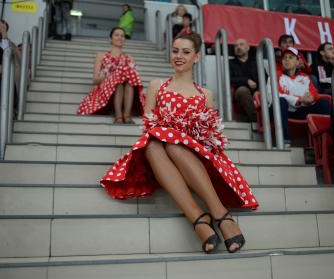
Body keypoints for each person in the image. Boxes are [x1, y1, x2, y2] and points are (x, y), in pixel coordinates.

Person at [101, 32, 258, 254]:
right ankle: (203, 217)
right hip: (159, 153)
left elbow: (210, 137)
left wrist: (185, 136)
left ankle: (214, 215)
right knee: (155, 144)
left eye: (185, 52)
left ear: (196, 57)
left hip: (195, 156)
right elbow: (149, 125)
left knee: (174, 144)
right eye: (175, 51)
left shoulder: (205, 94)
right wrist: (169, 132)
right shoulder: (157, 86)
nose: (179, 56)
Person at [77, 27, 144, 123]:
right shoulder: (101, 55)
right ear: (110, 39)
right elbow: (95, 80)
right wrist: (113, 75)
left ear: (124, 40)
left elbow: (134, 80)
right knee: (119, 75)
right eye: (116, 35)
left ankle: (127, 115)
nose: (120, 37)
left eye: (122, 36)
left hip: (126, 91)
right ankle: (118, 116)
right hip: (106, 91)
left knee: (127, 75)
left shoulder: (130, 58)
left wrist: (120, 73)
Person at [267, 47, 331, 146]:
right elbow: (274, 96)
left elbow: (314, 93)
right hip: (280, 110)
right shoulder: (274, 76)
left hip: (299, 110)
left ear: (298, 62)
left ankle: (326, 141)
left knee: (324, 103)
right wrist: (299, 99)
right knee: (280, 101)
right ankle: (284, 141)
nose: (287, 60)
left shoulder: (305, 77)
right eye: (284, 58)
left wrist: (311, 99)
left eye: (291, 57)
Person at [229, 38, 259, 122]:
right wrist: (246, 80)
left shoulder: (256, 62)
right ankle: (255, 119)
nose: (238, 47)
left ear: (248, 48)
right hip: (240, 93)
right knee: (243, 90)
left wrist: (258, 90)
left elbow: (265, 79)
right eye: (236, 46)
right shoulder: (230, 63)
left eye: (241, 44)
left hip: (257, 92)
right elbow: (230, 79)